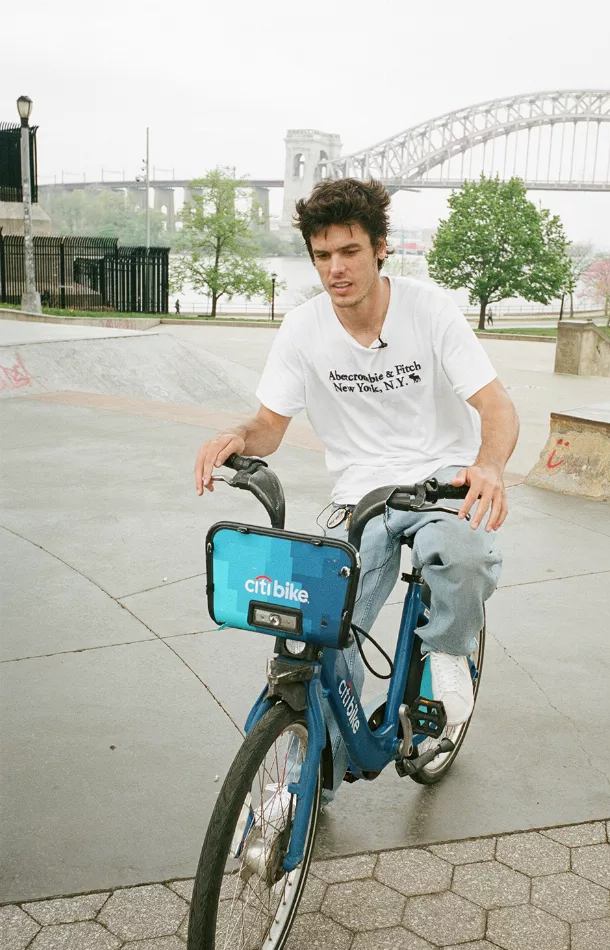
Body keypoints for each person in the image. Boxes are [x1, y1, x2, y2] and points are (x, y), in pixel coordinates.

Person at [194, 178, 519, 732]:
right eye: (322, 256)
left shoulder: (429, 310)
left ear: (380, 247)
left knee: (459, 550)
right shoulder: (302, 329)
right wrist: (237, 438)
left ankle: (446, 648)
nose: (335, 269)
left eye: (349, 252)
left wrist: (488, 466)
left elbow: (497, 407)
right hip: (360, 493)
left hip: (440, 474)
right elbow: (269, 424)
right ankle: (311, 777)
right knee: (324, 630)